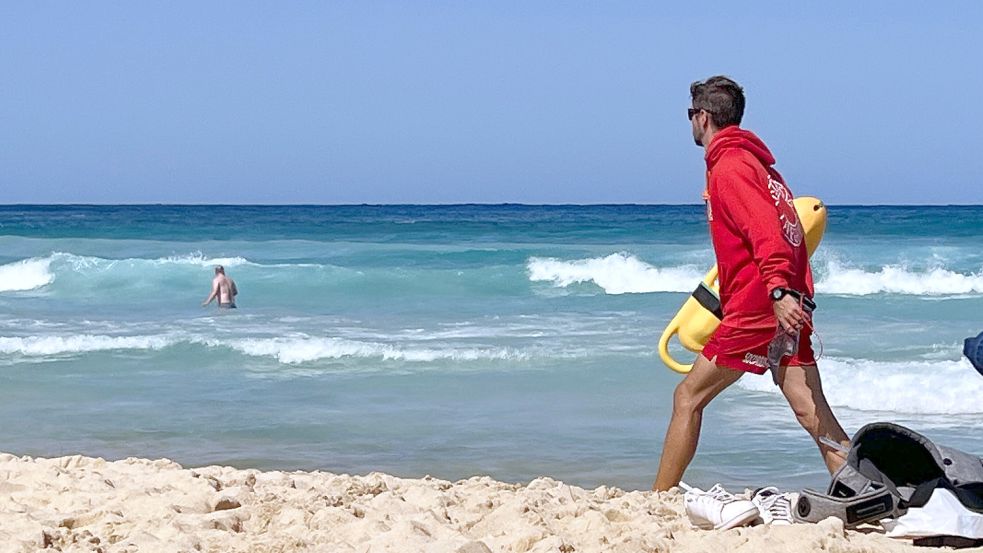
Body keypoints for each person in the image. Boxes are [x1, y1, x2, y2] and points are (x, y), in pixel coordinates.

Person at [653, 76, 849, 491]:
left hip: (760, 305)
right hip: (785, 305)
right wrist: (792, 294)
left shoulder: (732, 168)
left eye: (690, 115)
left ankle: (658, 499)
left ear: (703, 117)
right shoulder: (758, 167)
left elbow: (768, 235)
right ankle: (863, 488)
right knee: (810, 409)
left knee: (688, 397)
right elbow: (791, 232)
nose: (690, 123)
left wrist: (776, 291)